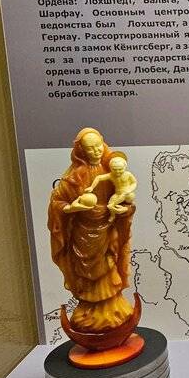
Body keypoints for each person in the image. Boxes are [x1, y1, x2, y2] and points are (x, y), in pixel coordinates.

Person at [48, 128, 135, 334]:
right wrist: (71, 208)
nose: (96, 151)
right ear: (81, 151)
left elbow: (126, 196)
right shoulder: (73, 178)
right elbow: (57, 202)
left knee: (109, 264)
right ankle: (90, 313)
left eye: (98, 146)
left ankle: (113, 309)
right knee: (85, 271)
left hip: (108, 229)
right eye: (90, 148)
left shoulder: (112, 169)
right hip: (83, 233)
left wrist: (125, 210)